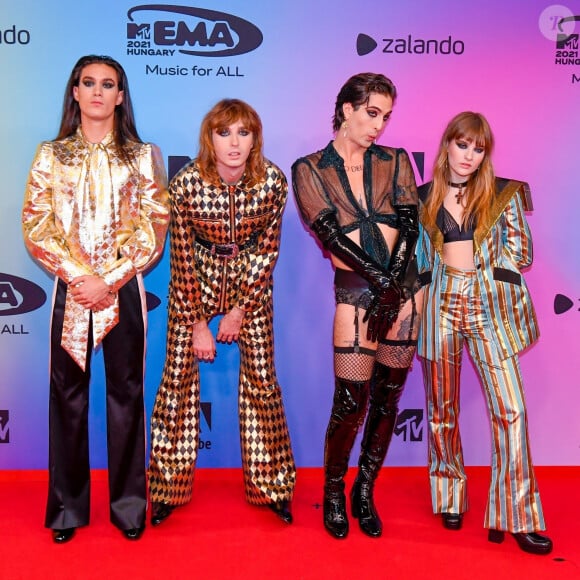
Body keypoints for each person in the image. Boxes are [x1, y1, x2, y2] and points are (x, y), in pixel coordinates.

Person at [22, 55, 170, 543]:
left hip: (122, 291)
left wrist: (109, 279)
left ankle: (129, 507)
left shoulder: (143, 155)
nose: (98, 92)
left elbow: (154, 227)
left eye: (108, 84)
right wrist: (78, 277)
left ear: (121, 96)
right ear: (75, 92)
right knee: (67, 399)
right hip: (72, 291)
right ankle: (66, 509)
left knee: (126, 395)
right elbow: (36, 225)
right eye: (89, 83)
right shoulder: (50, 154)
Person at [148, 99, 296, 526]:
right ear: (209, 138)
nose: (234, 143)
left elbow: (268, 252)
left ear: (255, 139)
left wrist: (239, 311)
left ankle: (273, 486)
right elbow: (180, 258)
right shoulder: (186, 185)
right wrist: (198, 322)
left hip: (251, 278)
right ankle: (166, 488)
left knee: (263, 381)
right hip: (198, 273)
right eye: (224, 132)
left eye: (243, 133)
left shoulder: (271, 182)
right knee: (175, 381)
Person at [292, 73, 421, 539]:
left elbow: (409, 227)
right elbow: (327, 234)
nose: (379, 126)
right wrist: (380, 280)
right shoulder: (309, 168)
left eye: (385, 117)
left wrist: (396, 282)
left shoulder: (395, 161)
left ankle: (363, 490)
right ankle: (332, 491)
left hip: (405, 293)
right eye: (372, 114)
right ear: (346, 109)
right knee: (350, 403)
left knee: (387, 400)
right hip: (357, 290)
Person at [416, 111, 552, 555]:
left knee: (511, 408)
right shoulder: (421, 198)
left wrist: (491, 273)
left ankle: (517, 515)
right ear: (447, 146)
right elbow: (419, 262)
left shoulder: (502, 194)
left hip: (487, 304)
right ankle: (450, 494)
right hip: (440, 302)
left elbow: (523, 252)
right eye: (463, 145)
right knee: (441, 408)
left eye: (478, 149)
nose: (469, 156)